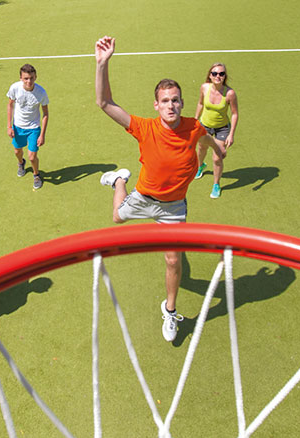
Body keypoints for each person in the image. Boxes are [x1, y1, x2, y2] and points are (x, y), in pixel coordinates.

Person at [94, 36, 228, 342]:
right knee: (117, 216)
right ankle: (118, 180)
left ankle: (169, 311)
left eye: (176, 99)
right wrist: (102, 64)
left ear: (182, 102)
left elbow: (206, 140)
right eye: (165, 100)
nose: (171, 105)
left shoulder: (193, 127)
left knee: (172, 259)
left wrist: (219, 150)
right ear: (157, 105)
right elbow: (105, 103)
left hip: (172, 207)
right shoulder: (144, 127)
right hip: (143, 198)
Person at [194, 62, 238, 199]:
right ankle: (200, 166)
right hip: (205, 125)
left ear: (225, 76)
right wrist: (195, 120)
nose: (218, 76)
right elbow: (200, 103)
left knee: (217, 157)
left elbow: (235, 114)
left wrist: (231, 134)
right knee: (201, 148)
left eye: (221, 74)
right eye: (214, 73)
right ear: (210, 75)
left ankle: (216, 184)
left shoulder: (230, 94)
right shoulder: (204, 88)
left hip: (222, 129)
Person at [6, 63, 50, 191]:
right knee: (17, 152)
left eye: (31, 78)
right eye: (26, 78)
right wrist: (9, 126)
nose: (28, 81)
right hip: (18, 127)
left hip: (33, 128)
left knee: (32, 156)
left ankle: (36, 175)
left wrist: (42, 135)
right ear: (21, 78)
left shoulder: (41, 92)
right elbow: (10, 105)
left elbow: (45, 114)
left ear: (35, 77)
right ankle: (21, 163)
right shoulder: (15, 88)